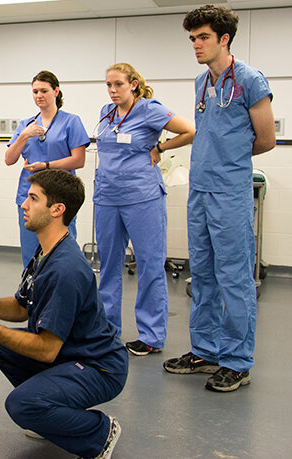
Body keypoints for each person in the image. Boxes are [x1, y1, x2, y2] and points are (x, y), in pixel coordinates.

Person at [0, 169, 128, 459]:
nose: (23, 205)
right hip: (70, 354)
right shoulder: (45, 253)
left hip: (99, 367)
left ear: (57, 209)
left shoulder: (65, 268)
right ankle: (54, 415)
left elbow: (46, 351)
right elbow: (21, 307)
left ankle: (100, 432)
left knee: (21, 405)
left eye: (33, 198)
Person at [164, 5, 275, 392]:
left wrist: (228, 162)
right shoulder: (201, 82)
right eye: (192, 38)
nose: (196, 44)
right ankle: (206, 350)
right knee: (205, 274)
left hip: (229, 191)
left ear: (224, 38)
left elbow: (266, 140)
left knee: (235, 276)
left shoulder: (249, 80)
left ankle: (237, 360)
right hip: (200, 190)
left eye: (203, 37)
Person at [93, 63, 195, 356]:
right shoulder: (106, 112)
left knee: (150, 265)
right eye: (109, 85)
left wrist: (160, 149)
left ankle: (151, 335)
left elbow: (190, 131)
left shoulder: (150, 110)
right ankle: (107, 329)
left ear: (134, 84)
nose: (112, 90)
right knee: (109, 264)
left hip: (142, 196)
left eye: (118, 85)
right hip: (108, 196)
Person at [6, 70, 89, 265]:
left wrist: (47, 165)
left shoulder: (71, 121)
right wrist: (24, 135)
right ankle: (32, 293)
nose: (39, 96)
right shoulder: (26, 124)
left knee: (62, 251)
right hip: (29, 194)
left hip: (61, 195)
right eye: (35, 91)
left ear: (56, 91)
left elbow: (79, 160)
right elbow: (9, 159)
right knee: (30, 253)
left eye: (44, 90)